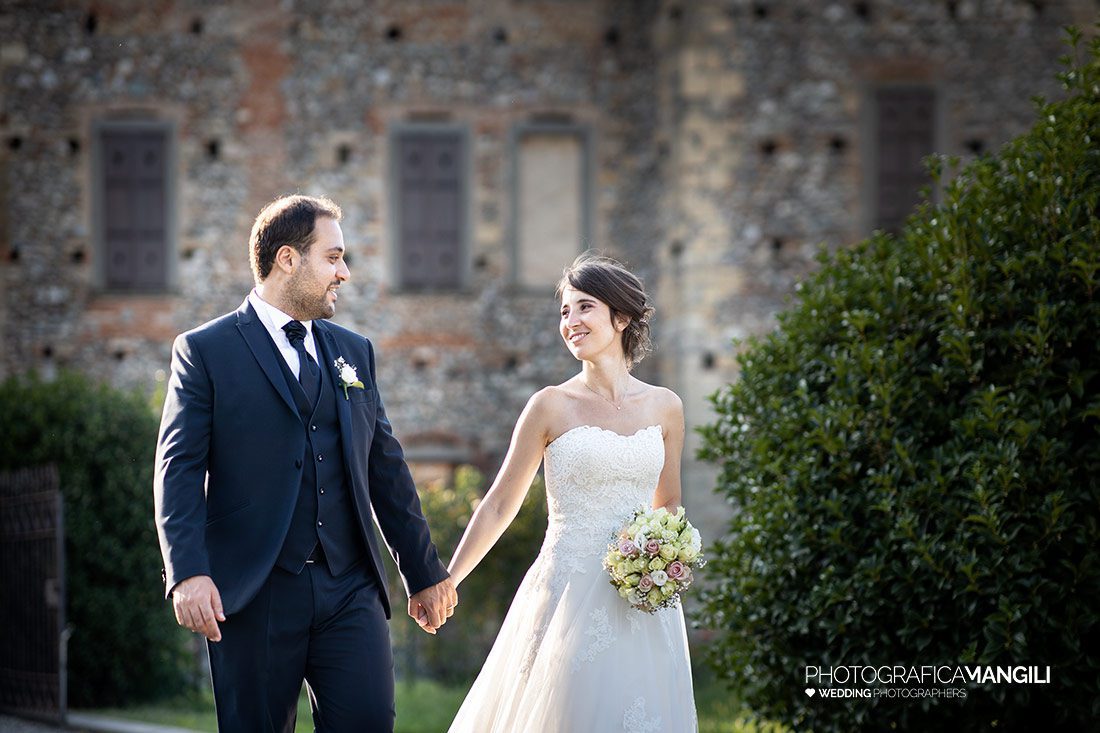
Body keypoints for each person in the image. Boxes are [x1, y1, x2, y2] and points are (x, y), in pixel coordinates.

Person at [153, 194, 457, 732]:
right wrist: (188, 572)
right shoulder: (206, 350)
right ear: (287, 259)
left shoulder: (353, 351)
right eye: (333, 257)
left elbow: (385, 468)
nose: (345, 273)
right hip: (254, 590)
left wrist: (423, 572)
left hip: (350, 586)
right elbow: (177, 468)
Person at [446, 254, 698, 732]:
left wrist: (663, 558)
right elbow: (501, 503)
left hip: (642, 602)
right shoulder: (549, 406)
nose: (571, 322)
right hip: (566, 592)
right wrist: (448, 581)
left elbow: (668, 503)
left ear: (621, 318)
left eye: (584, 307)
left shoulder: (666, 407)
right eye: (564, 311)